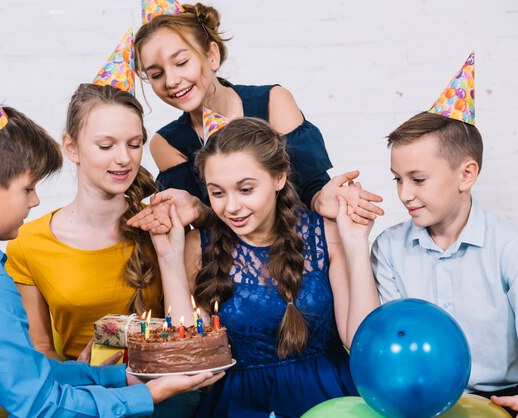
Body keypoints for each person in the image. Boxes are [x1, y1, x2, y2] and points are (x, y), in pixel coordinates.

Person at [0, 55, 221, 417]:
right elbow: (38, 403)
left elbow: (29, 375)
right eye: (28, 189)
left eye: (134, 144)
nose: (36, 199)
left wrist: (120, 378)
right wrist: (147, 395)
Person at [149, 117, 380, 417]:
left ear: (279, 177)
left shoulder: (325, 233)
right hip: (240, 406)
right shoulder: (198, 246)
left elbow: (362, 340)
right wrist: (169, 259)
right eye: (217, 193)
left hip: (329, 400)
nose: (230, 207)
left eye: (245, 189)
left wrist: (355, 242)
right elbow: (191, 359)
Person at [371, 53, 518, 418]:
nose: (404, 194)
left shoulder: (512, 250)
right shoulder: (388, 249)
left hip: (500, 402)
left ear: (466, 175)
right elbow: (389, 343)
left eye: (418, 179)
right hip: (417, 402)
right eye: (397, 179)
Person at [132, 0, 383, 225]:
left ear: (212, 55)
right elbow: (207, 224)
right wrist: (198, 210)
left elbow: (311, 187)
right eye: (156, 74)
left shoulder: (273, 102)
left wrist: (324, 199)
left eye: (181, 62)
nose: (171, 80)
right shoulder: (165, 144)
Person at [5, 32, 166, 362]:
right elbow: (40, 352)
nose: (124, 158)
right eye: (106, 146)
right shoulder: (28, 244)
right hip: (86, 398)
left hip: (165, 390)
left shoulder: (158, 224)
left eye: (134, 144)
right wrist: (82, 373)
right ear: (71, 147)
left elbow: (189, 328)